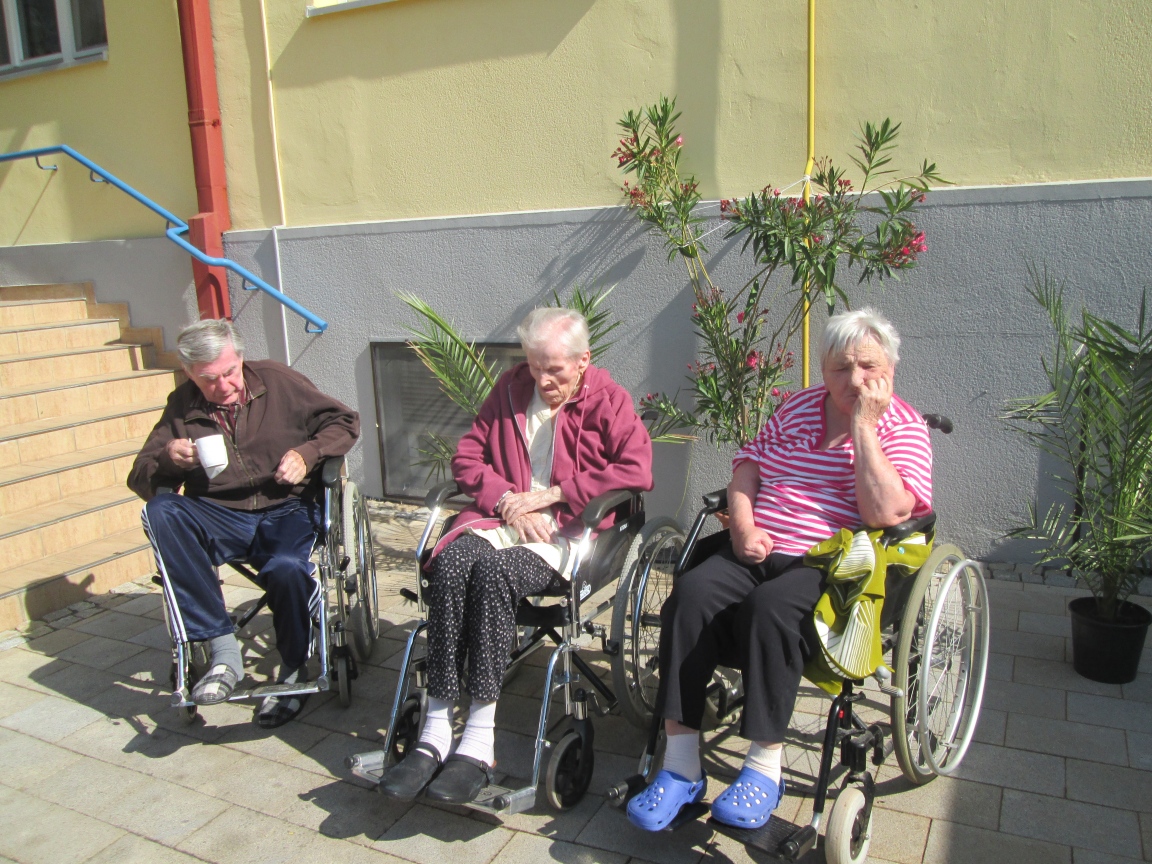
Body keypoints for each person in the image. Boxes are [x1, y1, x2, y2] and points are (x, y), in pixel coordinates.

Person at [627, 308, 932, 832]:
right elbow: (747, 468)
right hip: (759, 545)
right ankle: (680, 767)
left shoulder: (903, 426)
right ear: (825, 370)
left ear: (890, 369)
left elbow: (884, 512)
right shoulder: (798, 408)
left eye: (868, 366)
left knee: (769, 610)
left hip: (829, 561)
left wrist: (864, 426)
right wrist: (743, 528)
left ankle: (765, 768)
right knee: (690, 594)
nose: (855, 379)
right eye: (841, 368)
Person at [379, 307, 653, 805]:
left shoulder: (610, 400)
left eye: (555, 369)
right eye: (534, 366)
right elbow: (467, 458)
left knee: (492, 573)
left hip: (566, 533)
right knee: (451, 563)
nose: (543, 380)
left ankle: (478, 741)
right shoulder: (509, 389)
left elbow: (636, 471)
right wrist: (506, 499)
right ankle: (435, 730)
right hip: (502, 519)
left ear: (583, 360)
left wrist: (556, 494)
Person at [128, 319, 359, 727]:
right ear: (188, 373)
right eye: (208, 379)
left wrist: (307, 454)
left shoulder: (277, 380)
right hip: (218, 512)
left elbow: (344, 422)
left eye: (230, 372)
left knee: (286, 567)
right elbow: (140, 475)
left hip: (287, 507)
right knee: (161, 511)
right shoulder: (181, 404)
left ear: (240, 357)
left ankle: (293, 667)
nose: (224, 386)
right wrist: (168, 458)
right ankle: (223, 651)